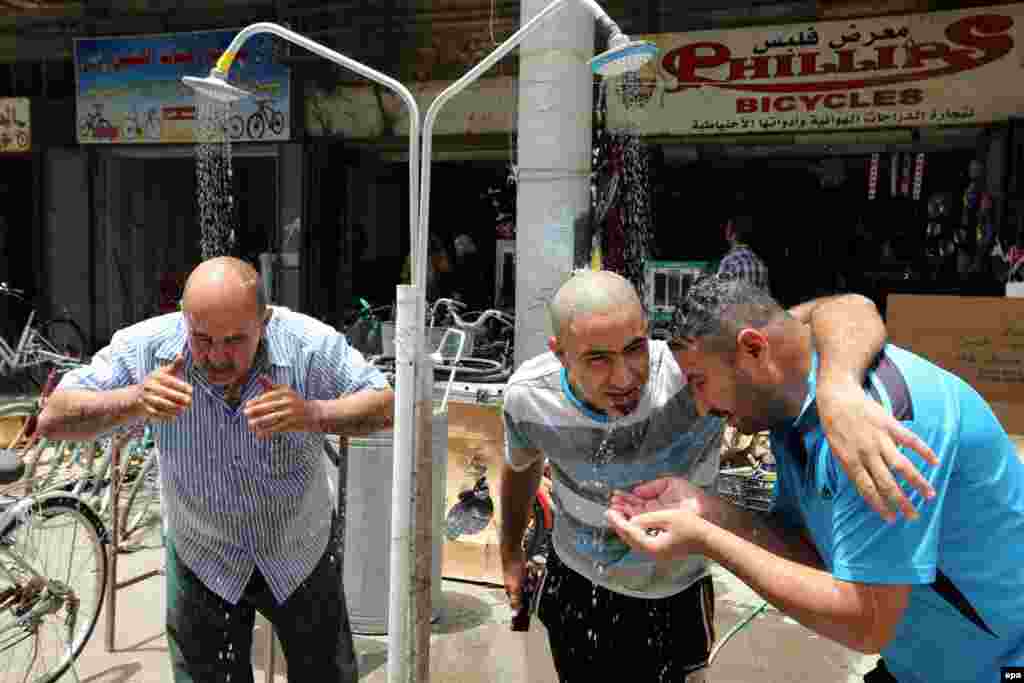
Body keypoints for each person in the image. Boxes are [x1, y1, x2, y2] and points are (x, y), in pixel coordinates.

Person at [500, 270, 938, 682]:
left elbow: (845, 309)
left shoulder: (694, 371)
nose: (626, 376)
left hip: (672, 593)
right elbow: (521, 467)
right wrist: (510, 555)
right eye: (597, 359)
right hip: (575, 579)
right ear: (559, 353)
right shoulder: (529, 398)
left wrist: (838, 384)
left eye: (635, 348)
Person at [607, 275, 1024, 683]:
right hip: (921, 665)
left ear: (753, 349)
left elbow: (866, 622)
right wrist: (709, 511)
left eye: (700, 381)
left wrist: (704, 539)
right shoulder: (794, 403)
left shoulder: (877, 429)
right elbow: (809, 552)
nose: (700, 406)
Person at [38, 256, 395, 682]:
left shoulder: (307, 345)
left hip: (298, 551)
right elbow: (53, 418)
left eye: (234, 340)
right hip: (202, 555)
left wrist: (313, 413)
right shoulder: (148, 346)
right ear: (183, 319)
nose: (217, 356)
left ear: (265, 320)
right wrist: (134, 399)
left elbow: (384, 405)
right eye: (202, 338)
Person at [716, 213, 770, 291]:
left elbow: (719, 295)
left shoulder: (729, 261)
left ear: (733, 235)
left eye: (727, 229)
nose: (725, 232)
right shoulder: (760, 263)